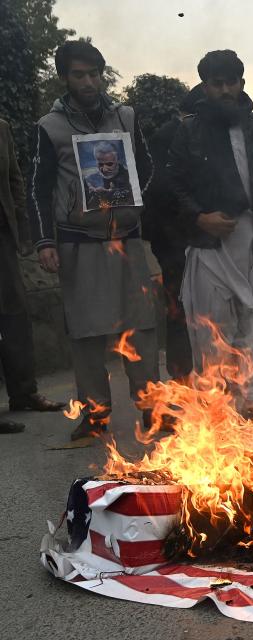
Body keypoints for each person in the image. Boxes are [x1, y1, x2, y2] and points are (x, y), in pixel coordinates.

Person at [29, 41, 158, 441]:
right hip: (78, 241)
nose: (89, 82)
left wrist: (133, 202)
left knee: (141, 327)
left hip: (127, 239)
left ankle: (153, 409)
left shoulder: (126, 116)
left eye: (95, 73)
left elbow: (148, 168)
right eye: (79, 75)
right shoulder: (49, 127)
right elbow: (38, 188)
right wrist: (45, 241)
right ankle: (95, 413)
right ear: (64, 78)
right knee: (86, 333)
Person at [168, 50, 253, 404]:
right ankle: (216, 410)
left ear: (242, 83)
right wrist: (199, 216)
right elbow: (172, 186)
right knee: (213, 333)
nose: (225, 90)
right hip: (210, 245)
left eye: (231, 82)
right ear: (205, 86)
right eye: (217, 84)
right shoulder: (189, 131)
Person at [1, 117, 65, 434]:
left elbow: (14, 181)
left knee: (15, 315)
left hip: (3, 237)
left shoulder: (2, 127)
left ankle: (24, 393)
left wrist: (25, 231)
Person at [142, 85, 203, 381]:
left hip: (197, 239)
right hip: (175, 243)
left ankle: (204, 376)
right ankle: (182, 379)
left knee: (201, 312)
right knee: (180, 310)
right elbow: (161, 192)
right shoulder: (167, 138)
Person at [84, 140, 135, 209]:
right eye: (100, 164)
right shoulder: (89, 179)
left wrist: (110, 193)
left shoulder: (130, 176)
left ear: (117, 160)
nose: (104, 169)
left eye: (109, 164)